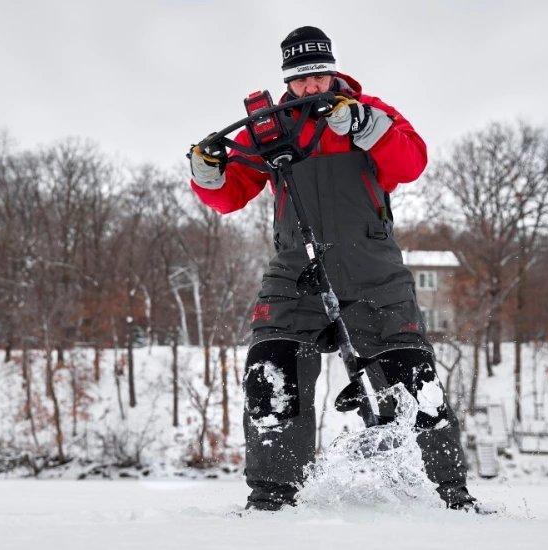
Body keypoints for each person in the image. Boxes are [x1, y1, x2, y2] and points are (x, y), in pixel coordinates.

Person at [188, 26, 476, 512]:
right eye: (300, 80)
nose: (310, 88)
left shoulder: (371, 111)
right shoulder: (267, 128)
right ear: (287, 82)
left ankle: (449, 495)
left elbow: (410, 163)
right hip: (293, 272)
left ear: (332, 71)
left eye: (318, 76)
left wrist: (366, 127)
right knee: (271, 368)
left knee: (414, 379)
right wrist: (206, 170)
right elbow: (228, 195)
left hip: (373, 273)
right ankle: (272, 499)